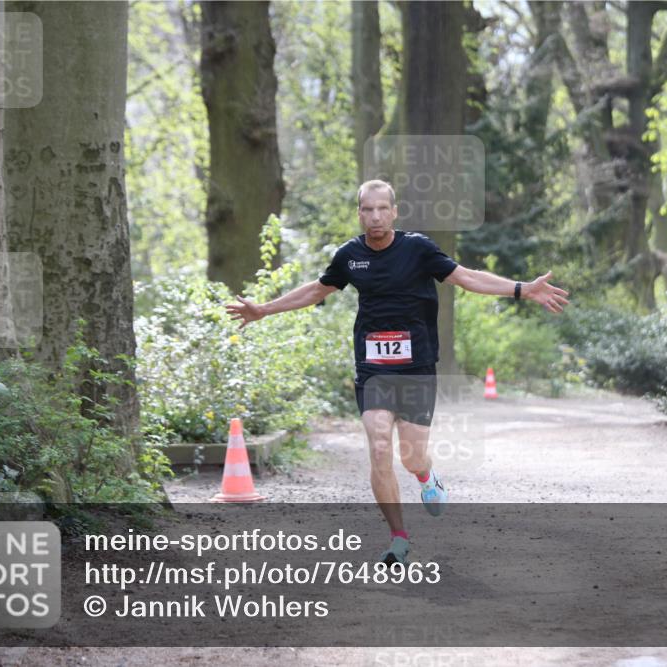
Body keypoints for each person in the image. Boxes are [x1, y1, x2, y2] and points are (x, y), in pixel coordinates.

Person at [226, 180, 570, 565]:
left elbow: (468, 277)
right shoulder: (349, 256)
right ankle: (398, 538)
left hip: (416, 366)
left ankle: (426, 477)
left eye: (381, 209)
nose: (374, 216)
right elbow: (315, 291)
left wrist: (522, 289)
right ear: (359, 213)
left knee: (411, 457)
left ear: (394, 211)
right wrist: (263, 310)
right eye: (367, 210)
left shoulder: (417, 249)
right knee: (377, 446)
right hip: (373, 368)